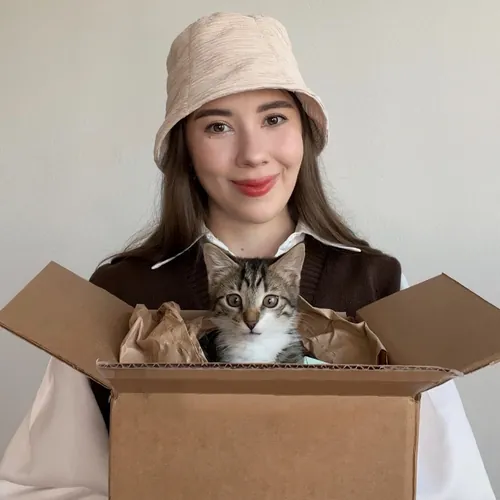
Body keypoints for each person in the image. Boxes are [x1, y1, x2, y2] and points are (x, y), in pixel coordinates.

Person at [0, 12, 495, 500]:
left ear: (304, 132)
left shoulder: (378, 284)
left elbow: (452, 488)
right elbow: (44, 486)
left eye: (274, 118)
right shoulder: (117, 294)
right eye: (218, 127)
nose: (253, 154)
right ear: (185, 148)